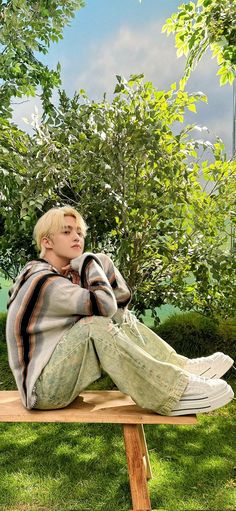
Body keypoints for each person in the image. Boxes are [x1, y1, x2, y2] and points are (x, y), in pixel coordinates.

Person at [6, 206, 234, 415]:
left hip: (60, 376)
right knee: (94, 326)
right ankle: (173, 392)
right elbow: (104, 306)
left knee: (114, 317)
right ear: (47, 242)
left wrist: (102, 261)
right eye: (66, 232)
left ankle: (180, 367)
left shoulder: (63, 276)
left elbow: (121, 302)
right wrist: (89, 263)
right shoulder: (43, 281)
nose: (77, 237)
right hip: (43, 391)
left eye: (79, 232)